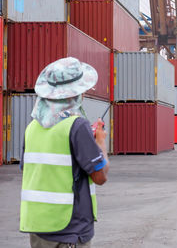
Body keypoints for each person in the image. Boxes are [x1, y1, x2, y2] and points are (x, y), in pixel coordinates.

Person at [19, 57, 110, 248]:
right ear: (76, 93)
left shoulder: (32, 127)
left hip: (38, 227)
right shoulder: (77, 126)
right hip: (69, 229)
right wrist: (100, 142)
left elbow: (37, 171)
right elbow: (100, 176)